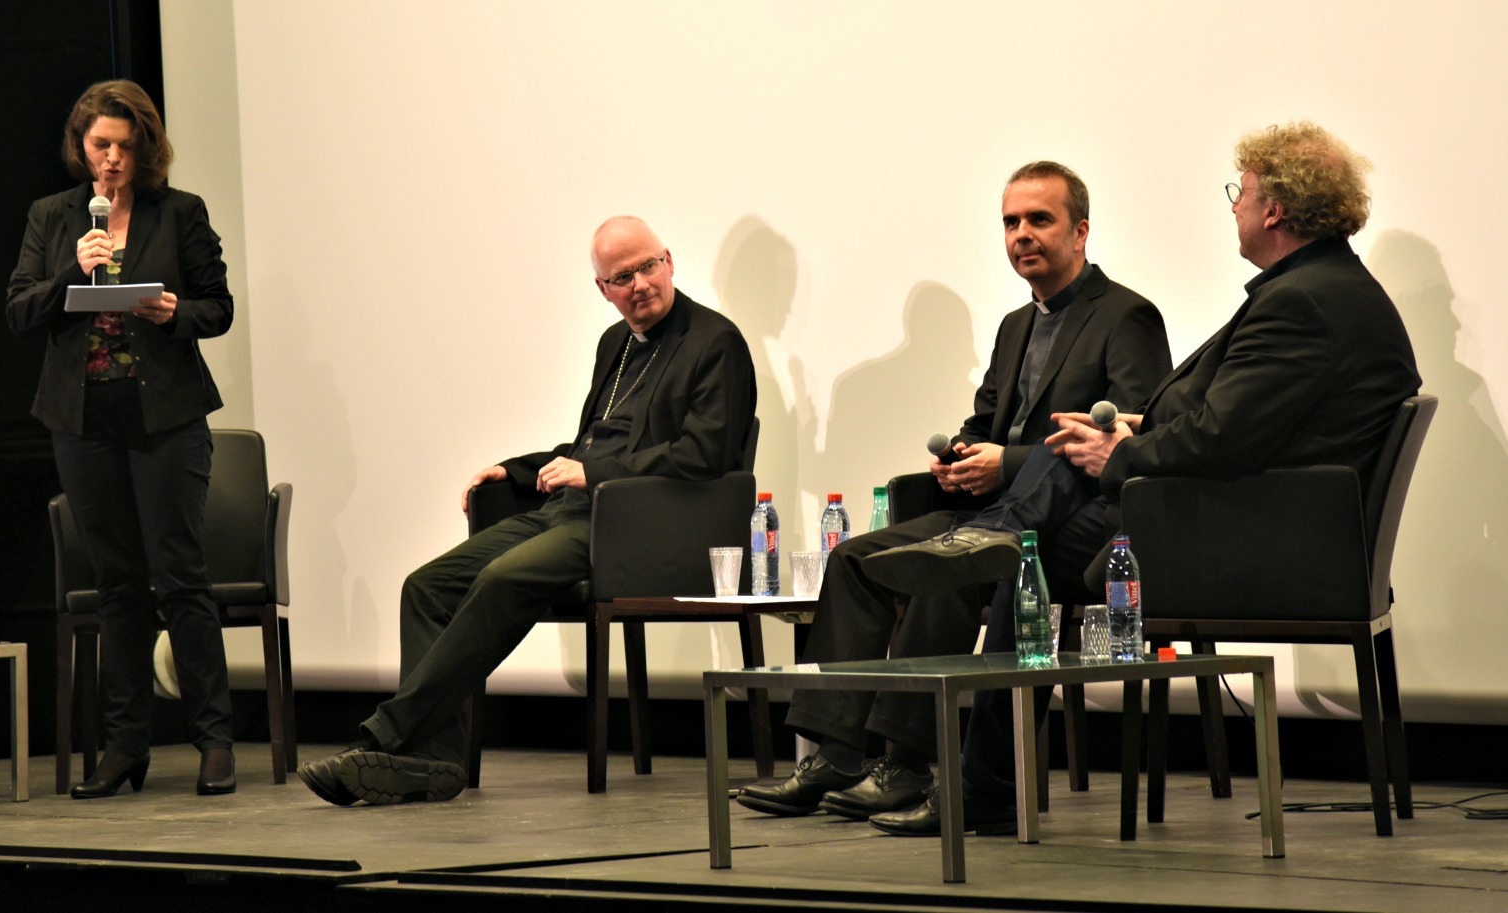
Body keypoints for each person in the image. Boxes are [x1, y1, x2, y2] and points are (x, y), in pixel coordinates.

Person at [857, 121, 1422, 836]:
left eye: (1239, 193)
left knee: (1024, 552)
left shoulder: (1302, 301)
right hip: (1263, 521)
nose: (1234, 206)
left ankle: (985, 777)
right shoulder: (1319, 288)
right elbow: (1238, 426)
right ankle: (980, 739)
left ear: (1274, 209)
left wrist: (1119, 453)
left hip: (1254, 544)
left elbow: (1219, 437)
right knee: (1059, 483)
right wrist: (1129, 434)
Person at [737, 163, 1171, 821]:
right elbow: (985, 420)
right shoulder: (1012, 326)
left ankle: (906, 763)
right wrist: (962, 455)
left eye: (1038, 219)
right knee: (856, 561)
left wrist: (1011, 461)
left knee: (952, 566)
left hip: (1073, 517)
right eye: (1009, 222)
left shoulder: (1124, 315)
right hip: (990, 506)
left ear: (1080, 231)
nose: (1020, 234)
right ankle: (833, 753)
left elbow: (1125, 437)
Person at [297, 216, 758, 806]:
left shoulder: (714, 341)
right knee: (427, 585)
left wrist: (594, 475)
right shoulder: (613, 346)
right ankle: (435, 763)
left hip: (637, 527)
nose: (639, 284)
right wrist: (514, 471)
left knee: (501, 577)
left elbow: (706, 454)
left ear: (669, 261)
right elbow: (592, 445)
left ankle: (386, 735)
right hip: (575, 512)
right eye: (622, 276)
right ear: (603, 289)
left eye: (648, 267)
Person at [6, 80, 237, 798]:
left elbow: (217, 306)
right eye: (99, 145)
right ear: (82, 148)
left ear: (145, 149)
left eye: (124, 147)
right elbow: (19, 311)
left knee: (180, 577)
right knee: (116, 587)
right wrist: (72, 271)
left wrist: (174, 313)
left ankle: (213, 740)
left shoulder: (181, 213)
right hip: (84, 421)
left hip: (164, 417)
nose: (110, 160)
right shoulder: (54, 217)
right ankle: (124, 745)